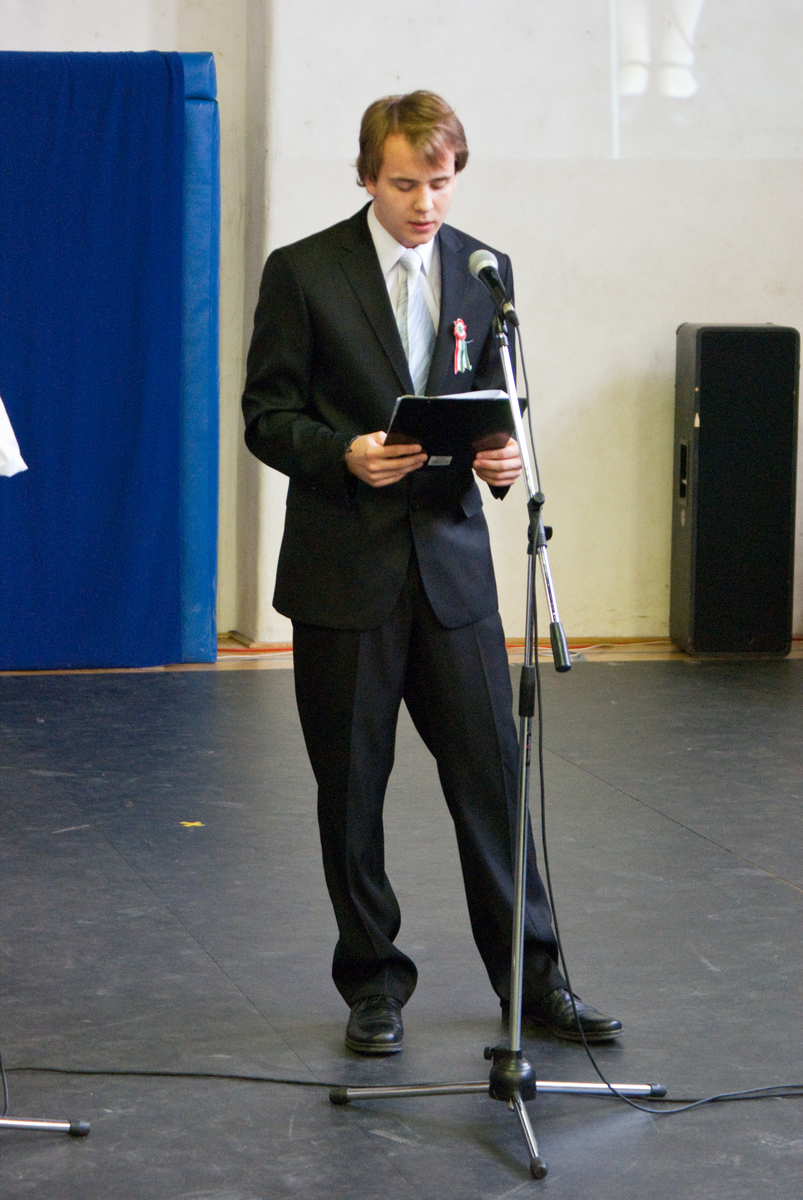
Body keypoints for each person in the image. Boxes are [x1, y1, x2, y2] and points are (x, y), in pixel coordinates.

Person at [242, 91, 622, 1054]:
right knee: (352, 790)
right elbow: (265, 416)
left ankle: (534, 980)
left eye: (441, 183)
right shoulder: (303, 272)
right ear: (366, 177)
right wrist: (343, 454)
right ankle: (373, 984)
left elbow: (495, 401)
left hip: (453, 572)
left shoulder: (485, 270)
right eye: (405, 183)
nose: (425, 204)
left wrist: (503, 459)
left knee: (493, 781)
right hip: (344, 573)